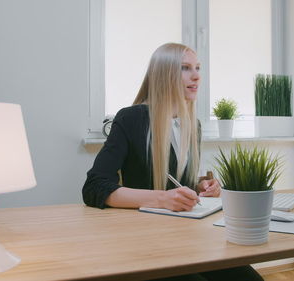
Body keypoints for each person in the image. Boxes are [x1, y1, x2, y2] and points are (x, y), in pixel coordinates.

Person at [82, 43, 264, 281]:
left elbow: (177, 181)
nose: (197, 76)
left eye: (198, 68)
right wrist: (161, 199)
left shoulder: (192, 125)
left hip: (187, 238)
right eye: (185, 68)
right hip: (146, 245)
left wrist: (201, 186)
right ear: (164, 75)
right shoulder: (131, 118)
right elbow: (94, 187)